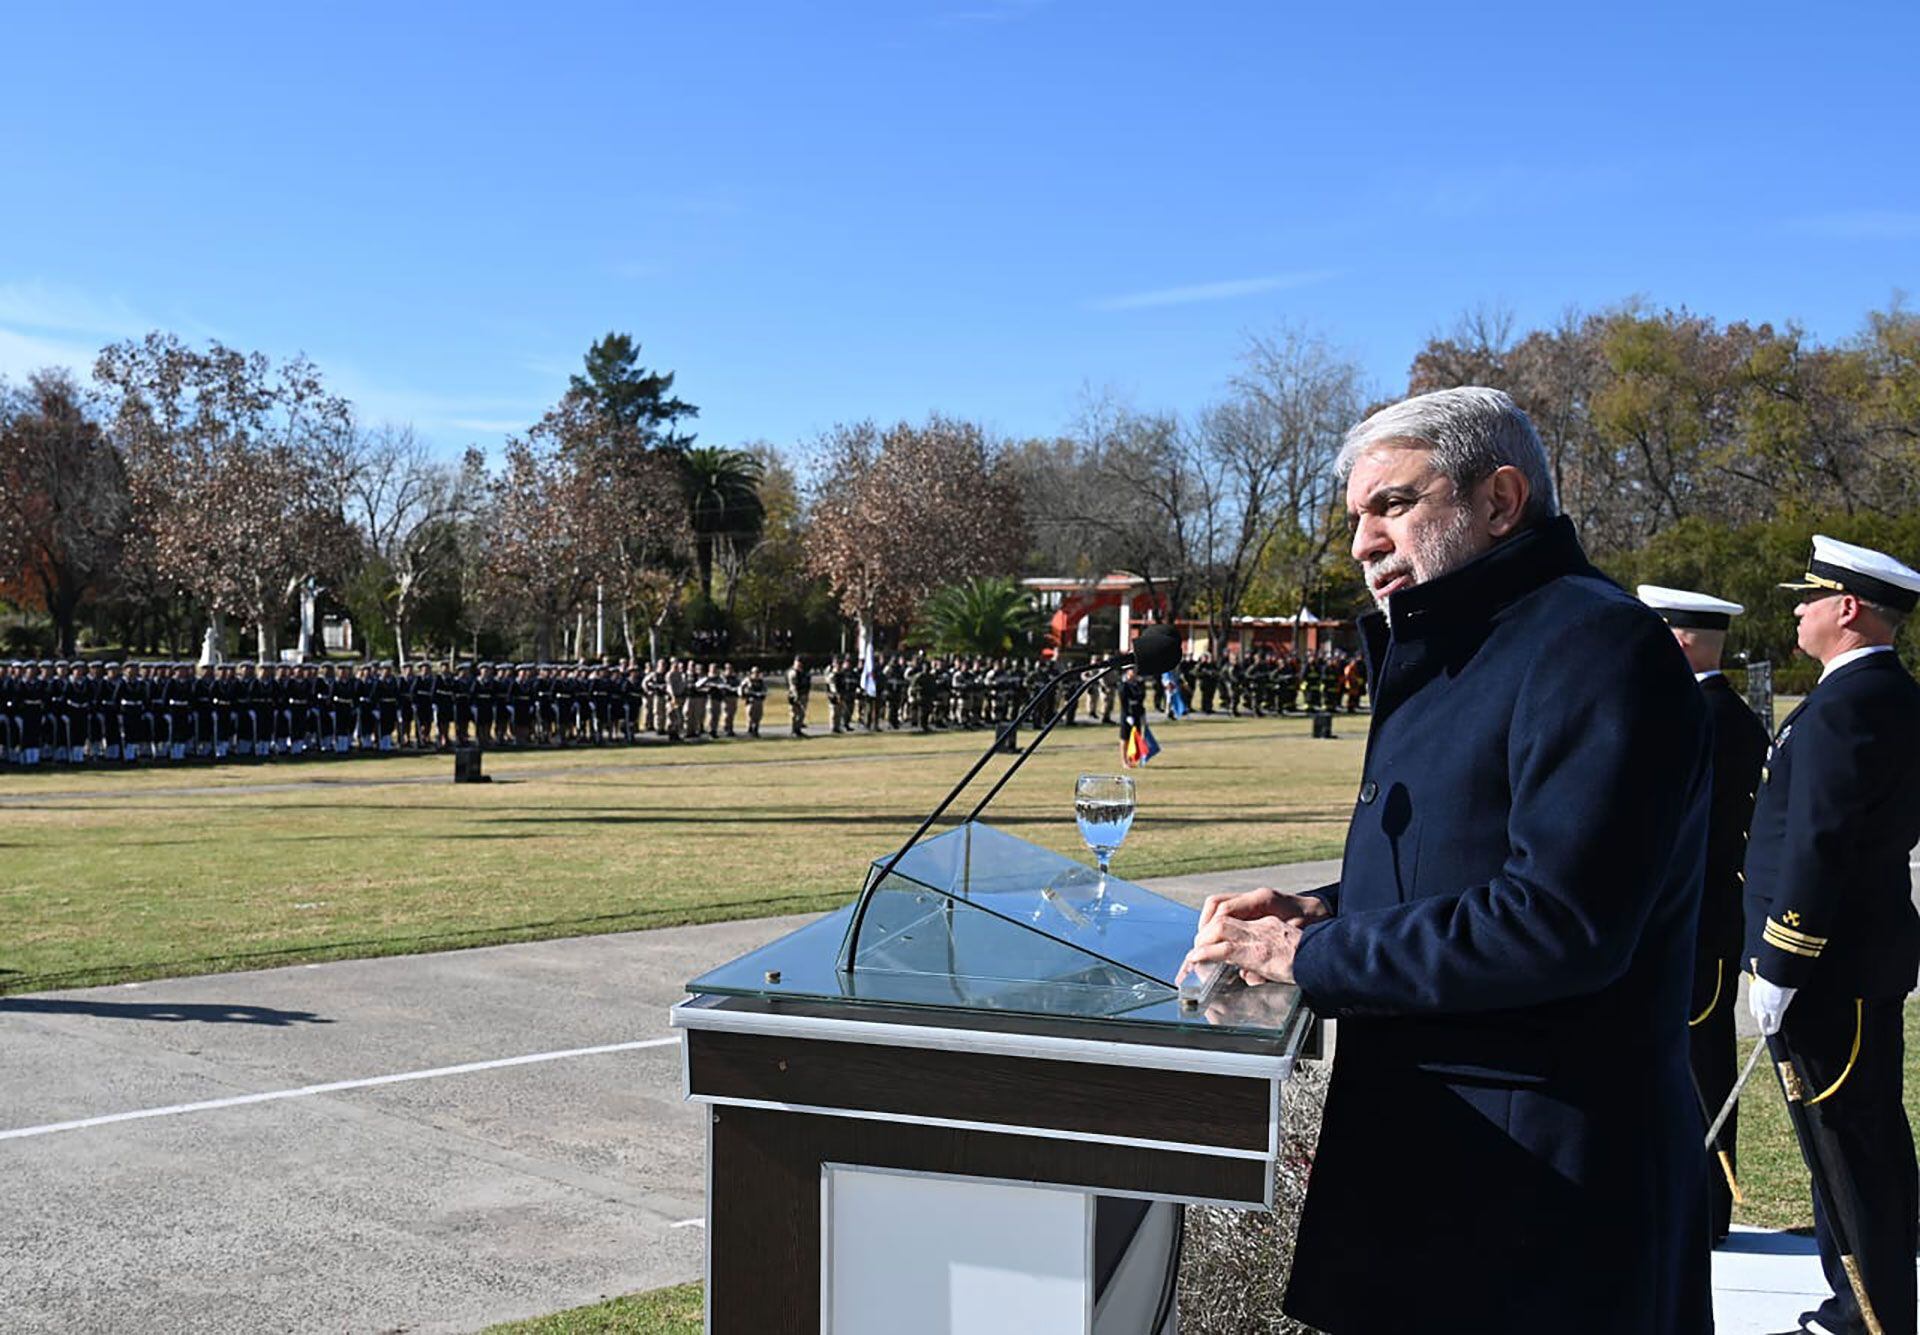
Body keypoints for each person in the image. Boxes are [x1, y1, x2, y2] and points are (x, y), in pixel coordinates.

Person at [1184, 387, 1712, 1333]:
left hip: (1535, 1205)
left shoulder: (1595, 646)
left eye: (1391, 505)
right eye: (1355, 518)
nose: (1361, 544)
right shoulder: (1466, 642)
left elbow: (1559, 923)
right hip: (1434, 1173)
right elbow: (1457, 869)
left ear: (1500, 500)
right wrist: (1319, 912)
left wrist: (1308, 960)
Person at [1743, 535, 1920, 1335]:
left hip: (1828, 972)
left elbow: (1820, 840)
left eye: (1809, 596)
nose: (1798, 608)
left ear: (1846, 609)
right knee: (1851, 1145)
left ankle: (1869, 1318)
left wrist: (1783, 957)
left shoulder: (1854, 704)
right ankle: (1855, 1308)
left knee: (1851, 1149)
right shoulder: (1874, 694)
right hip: (1849, 965)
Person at [1640, 583, 1770, 1246]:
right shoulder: (1715, 714)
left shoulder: (1703, 718)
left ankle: (1702, 1211)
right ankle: (1684, 1207)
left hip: (1693, 924)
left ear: (1681, 639)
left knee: (1697, 1064)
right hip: (1692, 921)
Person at [785, 657, 810, 738]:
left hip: (803, 695)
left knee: (801, 713)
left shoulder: (804, 672)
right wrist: (796, 696)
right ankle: (793, 730)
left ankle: (798, 730)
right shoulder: (792, 673)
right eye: (797, 662)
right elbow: (793, 686)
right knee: (795, 713)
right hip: (794, 695)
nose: (799, 664)